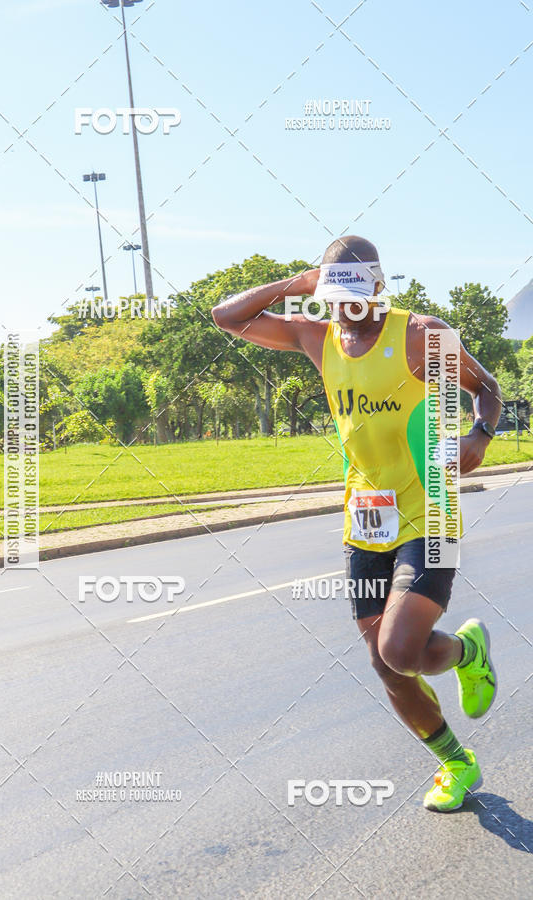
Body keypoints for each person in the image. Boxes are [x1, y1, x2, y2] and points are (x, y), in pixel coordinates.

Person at [212, 235, 500, 812]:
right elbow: (227, 317)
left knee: (398, 649)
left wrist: (479, 434)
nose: (347, 307)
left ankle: (468, 654)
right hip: (365, 517)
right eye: (334, 294)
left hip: (432, 509)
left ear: (378, 284)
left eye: (356, 292)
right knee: (385, 664)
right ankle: (456, 761)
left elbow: (486, 389)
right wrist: (298, 283)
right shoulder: (316, 337)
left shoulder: (421, 335)